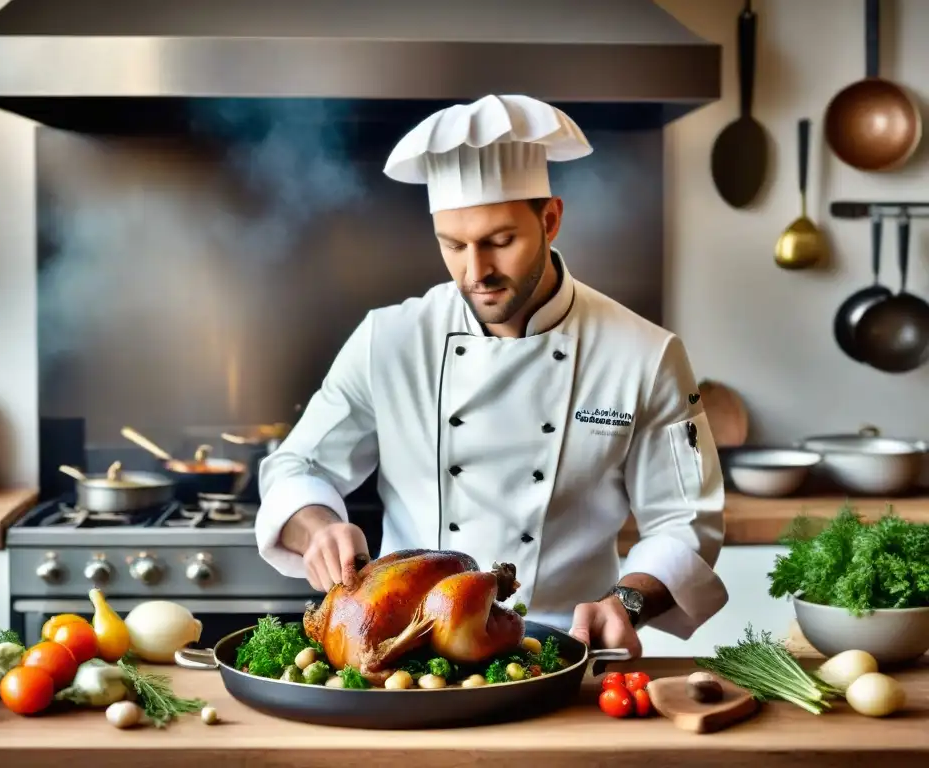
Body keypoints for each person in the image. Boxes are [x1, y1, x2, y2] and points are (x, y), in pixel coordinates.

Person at [255, 94, 727, 658]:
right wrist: (319, 526)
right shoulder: (390, 339)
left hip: (561, 651)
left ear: (550, 220)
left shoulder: (644, 355)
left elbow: (685, 522)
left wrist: (625, 602)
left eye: (500, 242)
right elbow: (296, 466)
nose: (475, 272)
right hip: (407, 657)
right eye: (452, 245)